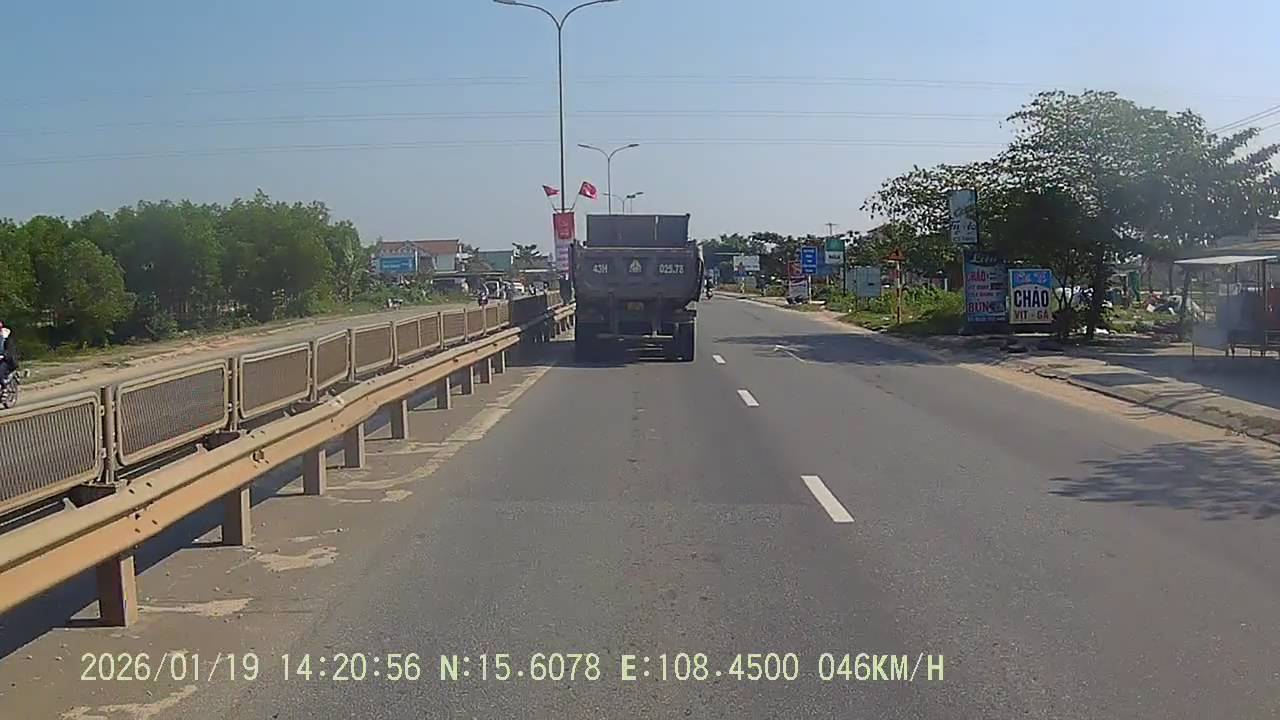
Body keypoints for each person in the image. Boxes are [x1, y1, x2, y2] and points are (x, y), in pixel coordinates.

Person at [0, 321, 17, 386]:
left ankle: (3, 386)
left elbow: (10, 351)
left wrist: (3, 356)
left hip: (6, 361)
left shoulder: (7, 339)